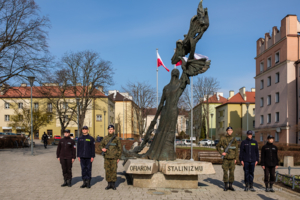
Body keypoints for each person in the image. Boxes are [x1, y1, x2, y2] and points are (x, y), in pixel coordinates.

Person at [216, 126, 238, 191]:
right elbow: (218, 146)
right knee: (225, 172)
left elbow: (236, 149)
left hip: (232, 158)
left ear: (232, 131)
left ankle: (230, 186)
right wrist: (222, 152)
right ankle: (225, 186)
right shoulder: (223, 138)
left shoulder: (234, 139)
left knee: (232, 172)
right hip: (225, 159)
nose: (230, 131)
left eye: (231, 130)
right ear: (227, 131)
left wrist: (236, 158)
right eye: (228, 130)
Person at [100, 125, 121, 190]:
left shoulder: (116, 138)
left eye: (111, 129)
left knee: (114, 171)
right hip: (107, 158)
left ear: (114, 130)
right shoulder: (105, 138)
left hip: (114, 158)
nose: (110, 130)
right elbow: (100, 145)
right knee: (107, 171)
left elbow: (119, 149)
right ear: (108, 130)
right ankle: (109, 184)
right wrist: (102, 149)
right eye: (109, 129)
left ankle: (113, 185)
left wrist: (118, 158)